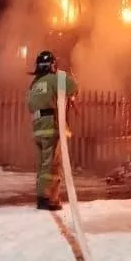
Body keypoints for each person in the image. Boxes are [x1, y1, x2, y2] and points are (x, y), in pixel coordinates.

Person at [26, 50, 79, 211]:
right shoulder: (53, 79)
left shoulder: (34, 84)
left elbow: (29, 105)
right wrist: (64, 77)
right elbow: (73, 87)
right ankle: (47, 198)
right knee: (52, 165)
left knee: (43, 164)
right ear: (51, 65)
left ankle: (42, 195)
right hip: (50, 126)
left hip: (37, 128)